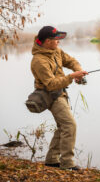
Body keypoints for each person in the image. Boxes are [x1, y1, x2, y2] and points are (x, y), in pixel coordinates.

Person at [30, 26, 88, 170]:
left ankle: (51, 160)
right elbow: (50, 84)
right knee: (70, 125)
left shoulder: (56, 51)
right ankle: (67, 163)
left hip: (60, 93)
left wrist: (78, 71)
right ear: (48, 41)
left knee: (62, 126)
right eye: (56, 40)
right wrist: (71, 77)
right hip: (51, 96)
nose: (59, 43)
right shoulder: (38, 61)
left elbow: (71, 61)